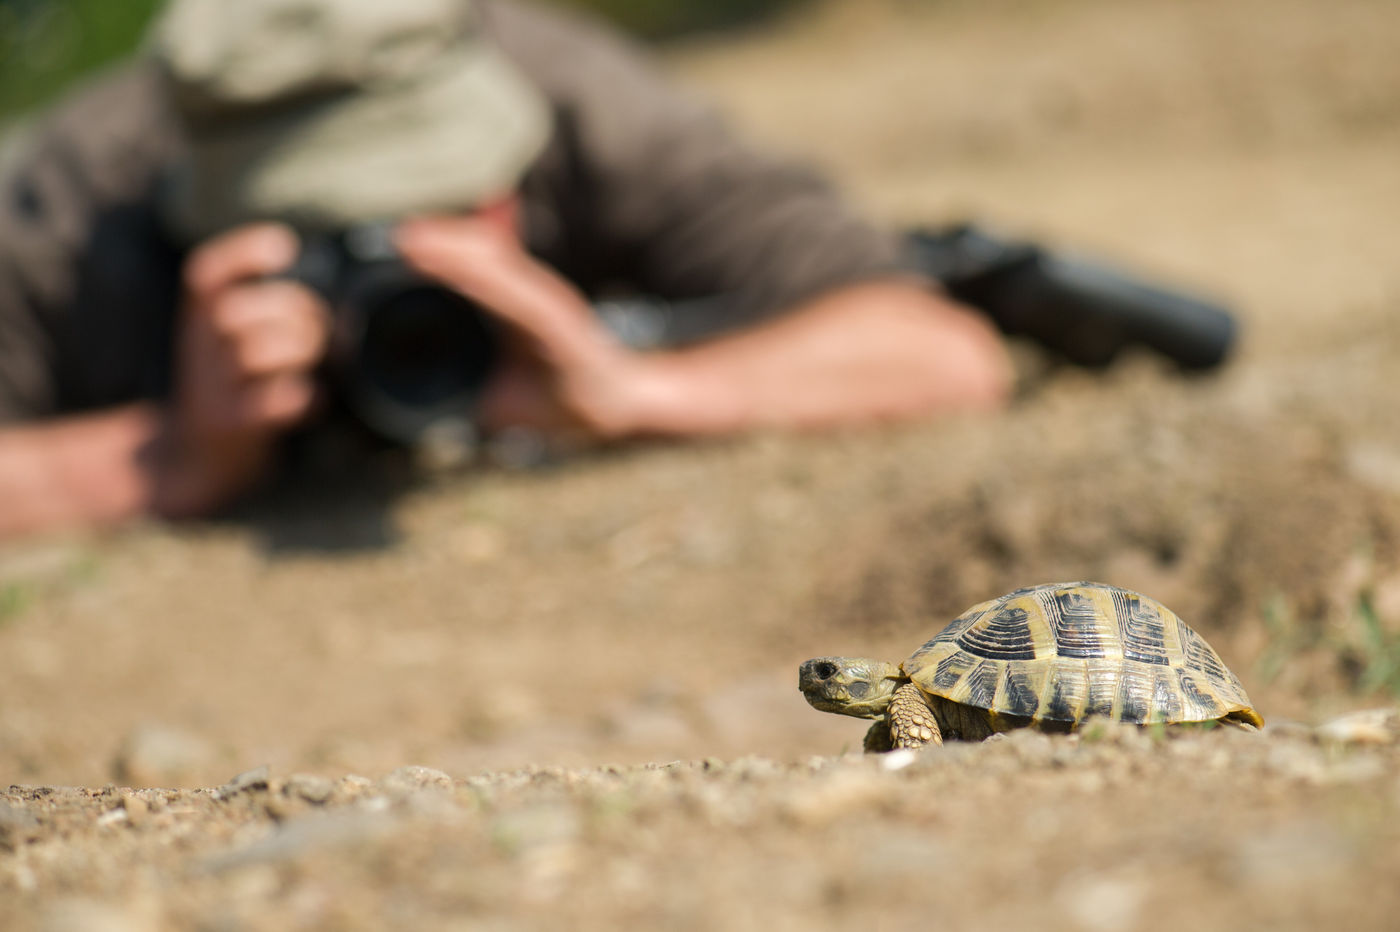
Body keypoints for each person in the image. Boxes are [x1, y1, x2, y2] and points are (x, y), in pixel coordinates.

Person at [0, 0, 1012, 539]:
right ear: (211, 215)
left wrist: (636, 387)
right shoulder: (81, 198)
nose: (396, 253)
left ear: (499, 138)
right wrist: (172, 454)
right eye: (332, 232)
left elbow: (937, 353)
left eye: (443, 201)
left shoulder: (576, 100)